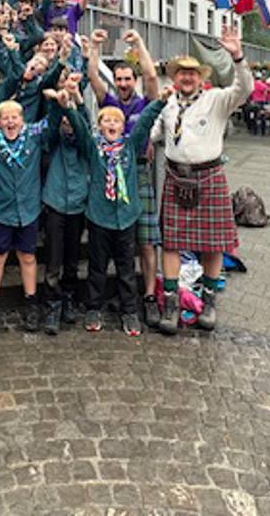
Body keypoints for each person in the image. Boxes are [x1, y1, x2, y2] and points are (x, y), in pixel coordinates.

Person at [152, 25, 254, 335]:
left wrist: (238, 56)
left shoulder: (217, 100)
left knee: (213, 244)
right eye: (181, 73)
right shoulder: (168, 105)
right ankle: (171, 304)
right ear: (174, 78)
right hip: (175, 177)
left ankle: (209, 302)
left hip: (208, 177)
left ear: (201, 78)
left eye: (192, 73)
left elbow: (245, 89)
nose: (187, 77)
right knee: (171, 243)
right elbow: (154, 133)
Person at [60, 86, 165, 337]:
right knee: (97, 267)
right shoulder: (93, 147)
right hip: (99, 216)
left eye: (116, 121)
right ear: (100, 126)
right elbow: (80, 128)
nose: (111, 124)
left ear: (122, 126)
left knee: (126, 268)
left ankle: (130, 311)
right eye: (106, 120)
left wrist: (160, 101)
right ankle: (93, 307)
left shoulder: (130, 146)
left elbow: (145, 122)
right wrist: (68, 107)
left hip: (126, 217)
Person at [0, 97, 63, 334]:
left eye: (15, 117)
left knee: (27, 257)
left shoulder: (33, 137)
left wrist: (57, 102)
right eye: (5, 118)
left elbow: (52, 123)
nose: (11, 122)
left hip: (28, 210)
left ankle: (31, 303)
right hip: (0, 210)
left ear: (22, 120)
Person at [86, 28, 162, 330]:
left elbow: (152, 77)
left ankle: (148, 297)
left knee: (146, 240)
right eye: (118, 79)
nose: (123, 83)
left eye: (128, 78)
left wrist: (139, 43)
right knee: (107, 248)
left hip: (138, 170)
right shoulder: (109, 104)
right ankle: (99, 304)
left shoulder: (144, 102)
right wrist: (94, 46)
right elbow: (93, 76)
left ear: (134, 80)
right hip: (108, 172)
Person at [40, 75, 88, 333]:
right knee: (53, 259)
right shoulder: (54, 142)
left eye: (71, 121)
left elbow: (83, 127)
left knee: (72, 259)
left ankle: (69, 297)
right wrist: (58, 107)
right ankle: (52, 304)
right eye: (65, 122)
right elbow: (50, 127)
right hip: (55, 203)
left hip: (78, 204)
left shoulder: (83, 145)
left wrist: (72, 107)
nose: (68, 125)